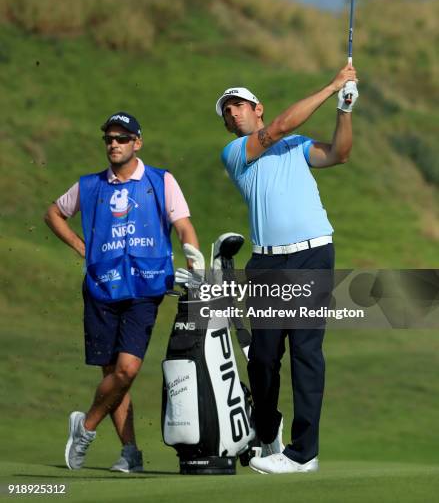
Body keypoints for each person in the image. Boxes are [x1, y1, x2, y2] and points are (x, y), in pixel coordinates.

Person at [215, 65, 358, 474]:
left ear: (255, 108)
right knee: (262, 358)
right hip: (267, 262)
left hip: (313, 254)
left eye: (237, 106)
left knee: (306, 352)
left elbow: (339, 154)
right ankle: (267, 430)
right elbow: (277, 127)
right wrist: (332, 85)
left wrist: (344, 109)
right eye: (226, 112)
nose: (232, 114)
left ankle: (304, 452)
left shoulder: (296, 145)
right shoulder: (236, 154)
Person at [45, 111, 199, 472]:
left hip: (145, 288)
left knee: (127, 370)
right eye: (109, 139)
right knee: (113, 377)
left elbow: (184, 227)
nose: (114, 144)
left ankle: (85, 428)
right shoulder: (90, 185)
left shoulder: (161, 181)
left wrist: (196, 265)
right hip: (101, 289)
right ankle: (130, 451)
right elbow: (53, 213)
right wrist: (80, 246)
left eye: (122, 138)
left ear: (137, 143)